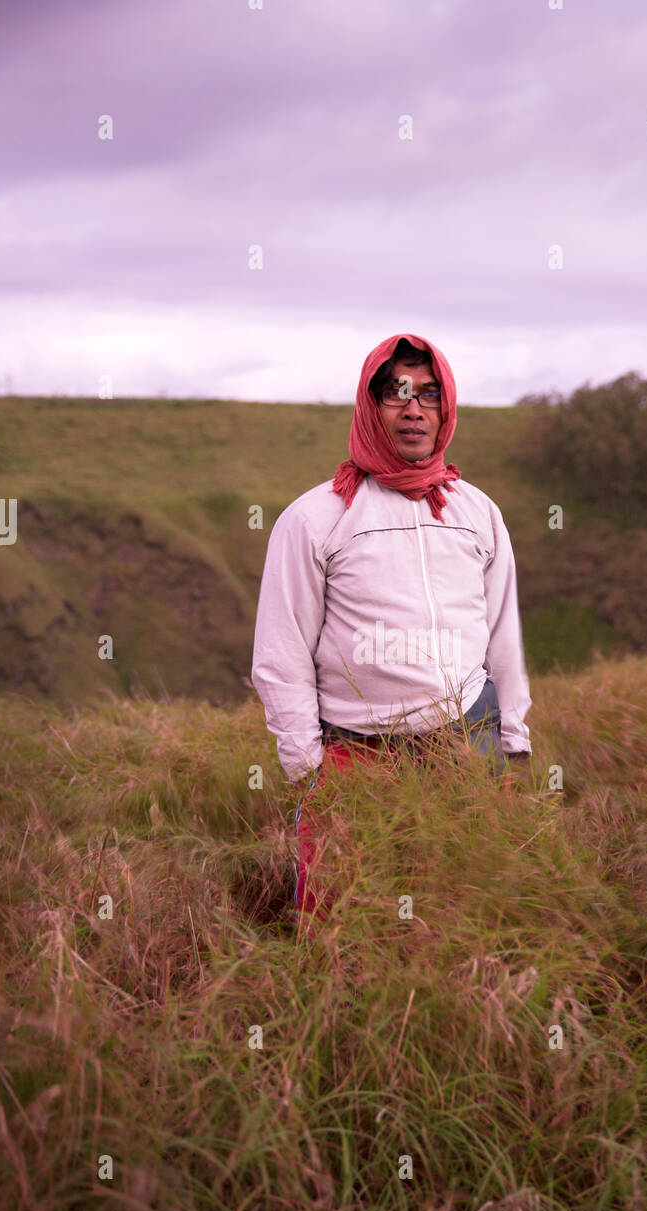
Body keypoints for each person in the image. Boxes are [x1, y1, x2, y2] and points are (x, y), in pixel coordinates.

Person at [251, 333, 533, 928]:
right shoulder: (315, 517)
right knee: (339, 919)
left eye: (429, 394)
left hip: (467, 741)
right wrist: (307, 764)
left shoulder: (476, 511)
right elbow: (281, 653)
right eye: (396, 393)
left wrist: (512, 737)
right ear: (369, 405)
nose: (414, 410)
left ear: (446, 407)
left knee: (467, 911)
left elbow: (502, 630)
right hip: (355, 749)